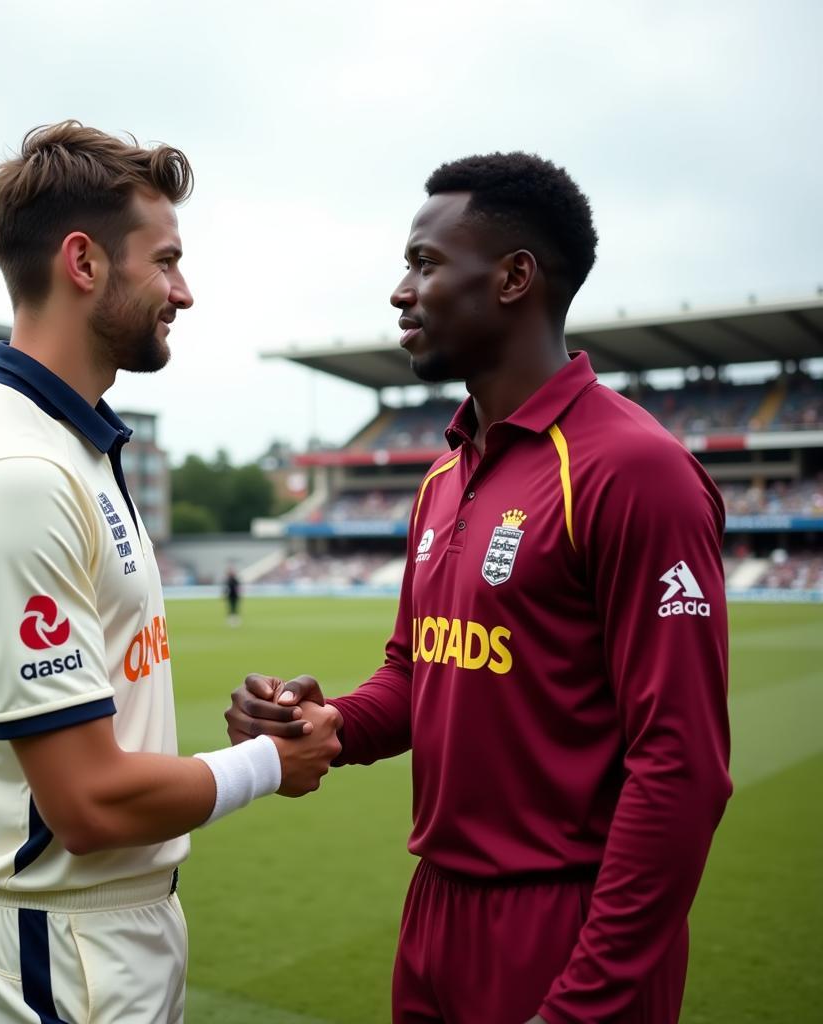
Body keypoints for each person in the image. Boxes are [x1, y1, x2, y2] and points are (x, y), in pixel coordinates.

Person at [226, 153, 731, 1024]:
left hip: (565, 924)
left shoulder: (634, 471)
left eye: (425, 263)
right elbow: (419, 674)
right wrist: (333, 723)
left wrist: (585, 1002)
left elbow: (681, 769)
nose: (400, 291)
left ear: (513, 278)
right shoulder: (444, 478)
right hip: (437, 914)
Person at [0, 121, 341, 1024]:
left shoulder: (72, 443)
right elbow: (90, 804)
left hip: (101, 934)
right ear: (83, 262)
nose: (185, 290)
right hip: (59, 950)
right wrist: (271, 762)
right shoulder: (17, 477)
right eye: (167, 259)